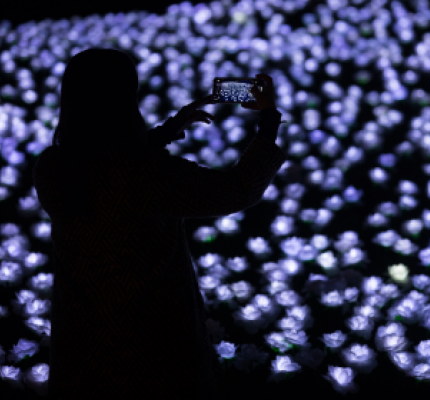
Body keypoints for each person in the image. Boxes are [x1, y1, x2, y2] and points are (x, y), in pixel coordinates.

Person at [32, 47, 288, 398]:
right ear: (126, 101)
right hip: (153, 343)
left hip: (83, 341)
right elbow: (236, 190)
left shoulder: (52, 169)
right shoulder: (152, 176)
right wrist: (269, 119)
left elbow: (105, 163)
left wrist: (167, 130)